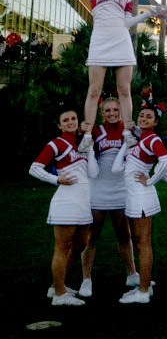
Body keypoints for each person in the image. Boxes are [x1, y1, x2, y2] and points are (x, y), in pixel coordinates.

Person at [44, 0, 162, 153]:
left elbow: (127, 23)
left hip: (121, 41)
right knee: (94, 89)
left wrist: (149, 14)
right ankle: (87, 133)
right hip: (99, 41)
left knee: (124, 90)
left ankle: (127, 131)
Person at [111, 101, 167, 304]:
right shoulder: (142, 141)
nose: (143, 119)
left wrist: (150, 180)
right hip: (133, 198)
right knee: (140, 242)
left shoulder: (153, 140)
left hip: (142, 197)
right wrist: (126, 141)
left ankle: (143, 291)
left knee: (144, 244)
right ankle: (144, 284)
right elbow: (117, 169)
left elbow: (166, 162)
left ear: (156, 121)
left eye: (148, 117)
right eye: (141, 116)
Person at [29, 104, 98, 306]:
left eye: (73, 119)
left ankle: (56, 286)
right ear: (60, 125)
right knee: (63, 247)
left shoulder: (82, 144)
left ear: (78, 122)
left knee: (80, 245)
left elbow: (93, 173)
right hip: (66, 202)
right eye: (65, 120)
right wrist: (56, 180)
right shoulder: (56, 144)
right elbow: (34, 168)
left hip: (83, 203)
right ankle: (60, 294)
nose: (70, 122)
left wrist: (90, 148)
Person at [78, 97, 138, 298]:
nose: (111, 114)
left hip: (121, 190)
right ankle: (86, 279)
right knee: (91, 237)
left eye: (115, 110)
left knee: (124, 234)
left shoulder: (128, 130)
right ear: (102, 112)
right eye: (108, 111)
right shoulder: (94, 131)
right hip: (98, 191)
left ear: (121, 111)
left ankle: (132, 273)